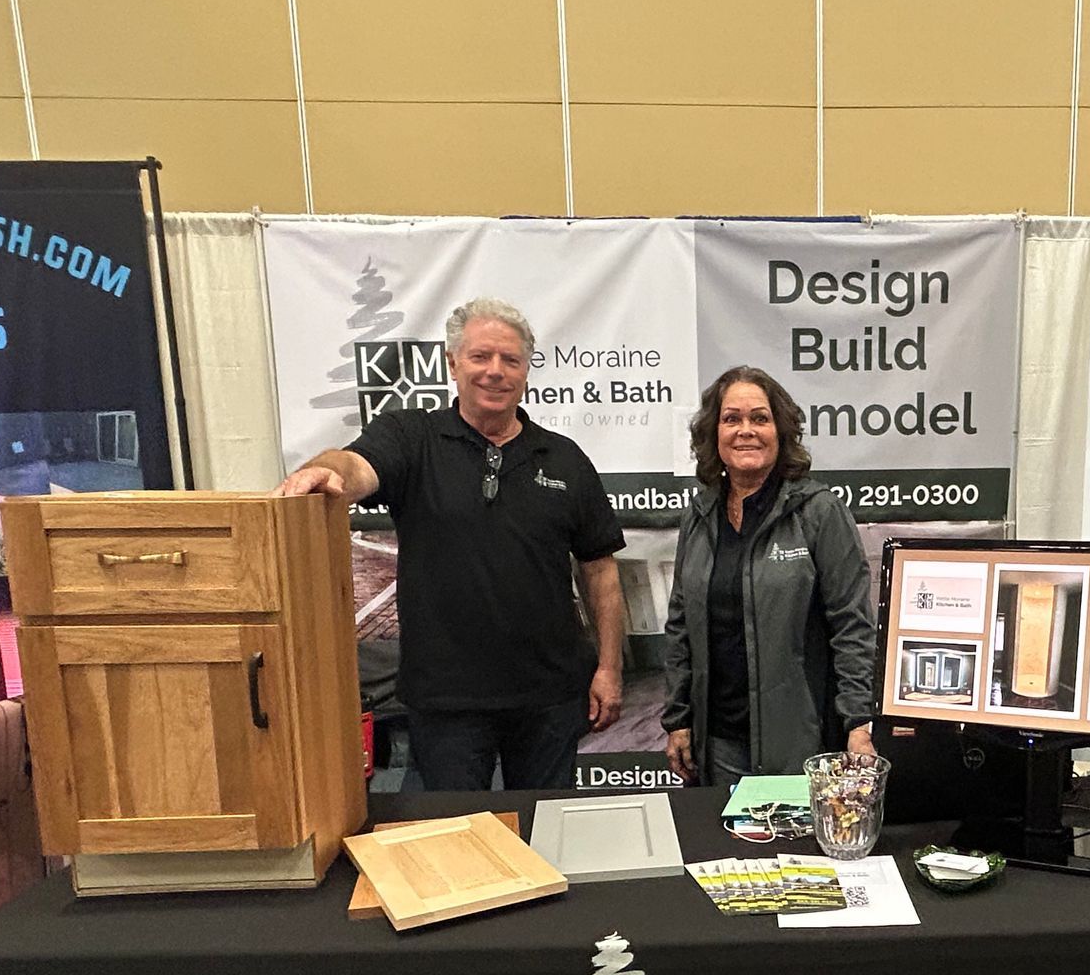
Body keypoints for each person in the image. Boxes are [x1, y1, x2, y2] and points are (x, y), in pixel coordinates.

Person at [278, 298, 625, 791]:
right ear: (453, 363)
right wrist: (325, 472)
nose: (495, 372)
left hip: (550, 700)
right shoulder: (412, 438)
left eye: (510, 360)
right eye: (481, 357)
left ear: (526, 370)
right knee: (456, 848)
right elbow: (356, 465)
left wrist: (609, 669)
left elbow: (601, 571)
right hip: (447, 704)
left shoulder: (565, 459)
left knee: (547, 837)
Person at [662, 366, 876, 795]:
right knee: (728, 857)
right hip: (718, 743)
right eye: (731, 419)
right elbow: (681, 625)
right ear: (714, 434)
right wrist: (679, 719)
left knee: (799, 859)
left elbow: (852, 626)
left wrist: (859, 722)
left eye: (760, 418)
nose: (746, 431)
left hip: (802, 744)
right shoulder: (699, 517)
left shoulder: (819, 512)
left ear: (781, 432)